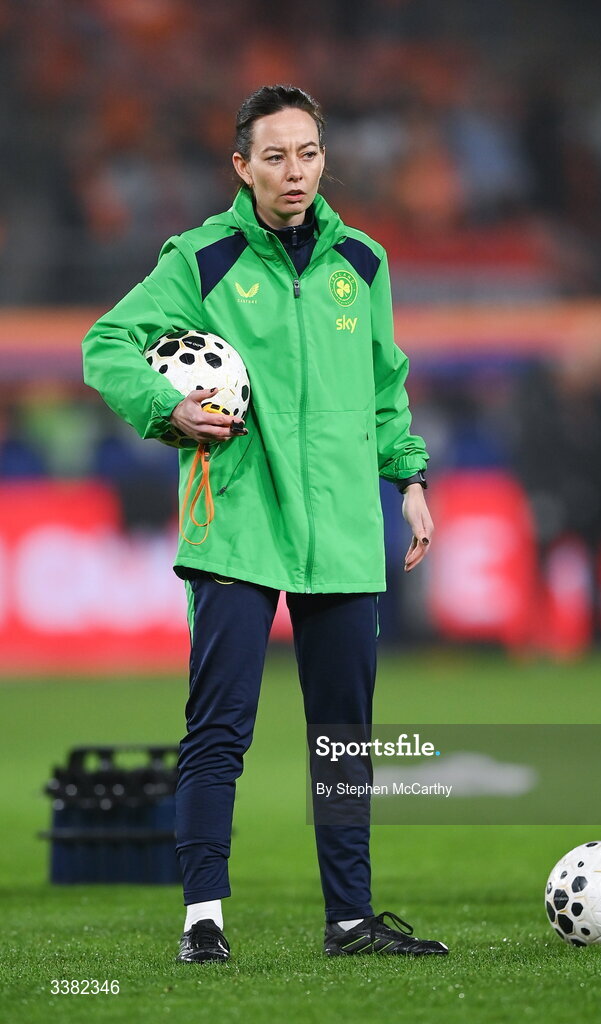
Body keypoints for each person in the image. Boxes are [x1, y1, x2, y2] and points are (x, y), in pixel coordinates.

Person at [82, 84, 447, 963]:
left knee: (342, 737)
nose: (295, 172)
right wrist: (168, 406)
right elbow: (107, 344)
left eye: (309, 154)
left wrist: (408, 479)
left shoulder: (361, 260)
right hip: (239, 520)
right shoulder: (200, 259)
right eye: (275, 156)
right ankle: (202, 920)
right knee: (219, 729)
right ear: (241, 167)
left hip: (343, 529)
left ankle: (351, 923)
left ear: (325, 159)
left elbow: (383, 383)